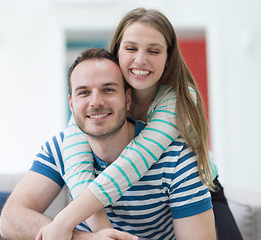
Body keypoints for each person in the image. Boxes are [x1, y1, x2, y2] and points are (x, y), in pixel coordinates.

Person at [60, 7, 242, 240]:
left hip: (200, 186)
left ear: (168, 58)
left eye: (154, 51)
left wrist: (65, 220)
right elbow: (76, 165)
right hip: (136, 191)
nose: (140, 59)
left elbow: (135, 160)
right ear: (116, 52)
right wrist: (103, 233)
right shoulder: (99, 101)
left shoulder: (178, 99)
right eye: (131, 48)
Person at [0, 48, 217, 240]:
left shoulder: (177, 157)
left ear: (128, 98)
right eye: (84, 92)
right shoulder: (59, 149)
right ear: (71, 103)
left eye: (108, 90)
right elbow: (10, 219)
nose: (95, 102)